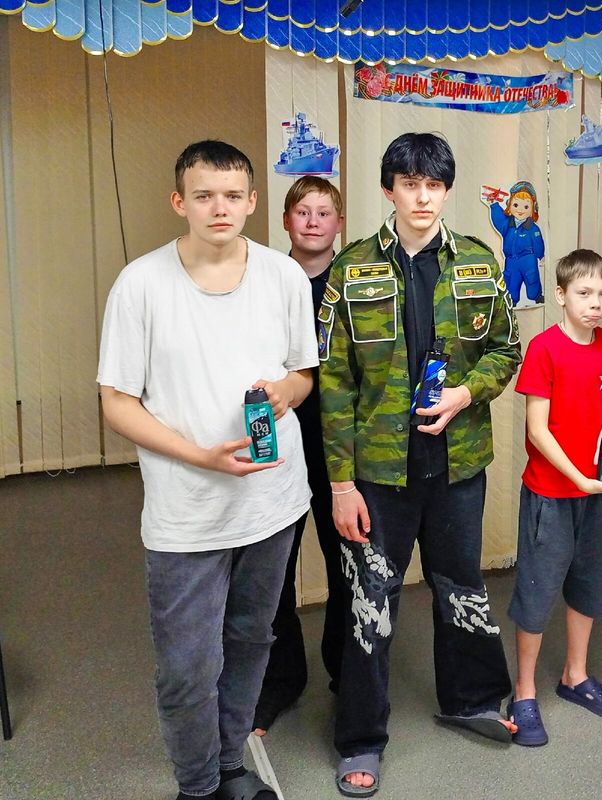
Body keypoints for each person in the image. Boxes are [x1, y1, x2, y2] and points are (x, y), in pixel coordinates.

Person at [97, 140, 317, 800]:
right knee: (188, 665)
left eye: (231, 196)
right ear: (180, 202)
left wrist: (284, 393)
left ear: (252, 201)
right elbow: (116, 401)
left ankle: (228, 765)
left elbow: (303, 373)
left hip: (272, 503)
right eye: (203, 196)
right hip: (186, 511)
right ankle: (196, 787)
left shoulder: (282, 277)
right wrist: (200, 456)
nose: (219, 208)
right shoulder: (141, 284)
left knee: (251, 639)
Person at [318, 132, 521, 797]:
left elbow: (507, 350)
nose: (422, 197)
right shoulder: (352, 269)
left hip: (457, 464)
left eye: (433, 185)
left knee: (462, 584)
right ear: (389, 190)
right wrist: (340, 484)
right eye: (410, 184)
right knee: (369, 600)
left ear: (447, 190)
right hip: (379, 474)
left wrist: (467, 392)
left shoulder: (477, 260)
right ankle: (360, 738)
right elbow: (334, 383)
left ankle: (473, 699)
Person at [507, 249, 602, 747]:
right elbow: (537, 430)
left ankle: (575, 676)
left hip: (599, 494)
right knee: (537, 592)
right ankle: (524, 691)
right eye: (584, 293)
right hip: (552, 494)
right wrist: (578, 478)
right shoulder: (544, 348)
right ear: (561, 295)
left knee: (590, 584)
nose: (596, 304)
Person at [253, 177, 350, 735]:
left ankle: (345, 675)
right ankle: (280, 680)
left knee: (345, 565)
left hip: (340, 450)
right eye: (302, 212)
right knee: (275, 570)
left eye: (324, 212)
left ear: (339, 223)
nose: (313, 222)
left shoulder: (357, 281)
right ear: (286, 220)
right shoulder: (263, 281)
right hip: (283, 443)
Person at [485, 180, 545, 306]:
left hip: (528, 259)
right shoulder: (508, 224)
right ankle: (512, 301)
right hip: (511, 260)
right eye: (516, 205)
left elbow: (538, 243)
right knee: (511, 281)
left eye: (526, 207)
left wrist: (541, 256)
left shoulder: (533, 228)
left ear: (533, 208)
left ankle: (537, 296)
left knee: (532, 279)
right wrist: (494, 205)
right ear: (509, 205)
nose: (520, 210)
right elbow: (499, 219)